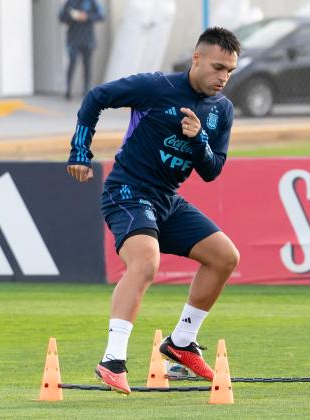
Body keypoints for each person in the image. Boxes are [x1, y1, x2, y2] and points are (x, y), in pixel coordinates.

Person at [66, 27, 241, 394]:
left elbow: (211, 171)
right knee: (146, 262)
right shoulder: (156, 87)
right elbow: (97, 97)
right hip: (127, 191)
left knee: (225, 257)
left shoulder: (221, 111)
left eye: (230, 71)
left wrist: (199, 140)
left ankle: (181, 342)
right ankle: (112, 360)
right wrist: (80, 151)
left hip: (166, 200)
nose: (223, 77)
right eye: (218, 67)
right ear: (197, 59)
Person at [59, 0, 105, 101]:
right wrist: (72, 17)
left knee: (87, 66)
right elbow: (61, 17)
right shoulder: (70, 3)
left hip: (88, 40)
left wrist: (87, 17)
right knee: (72, 63)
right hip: (73, 40)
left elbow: (101, 16)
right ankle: (68, 90)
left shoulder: (92, 2)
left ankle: (86, 91)